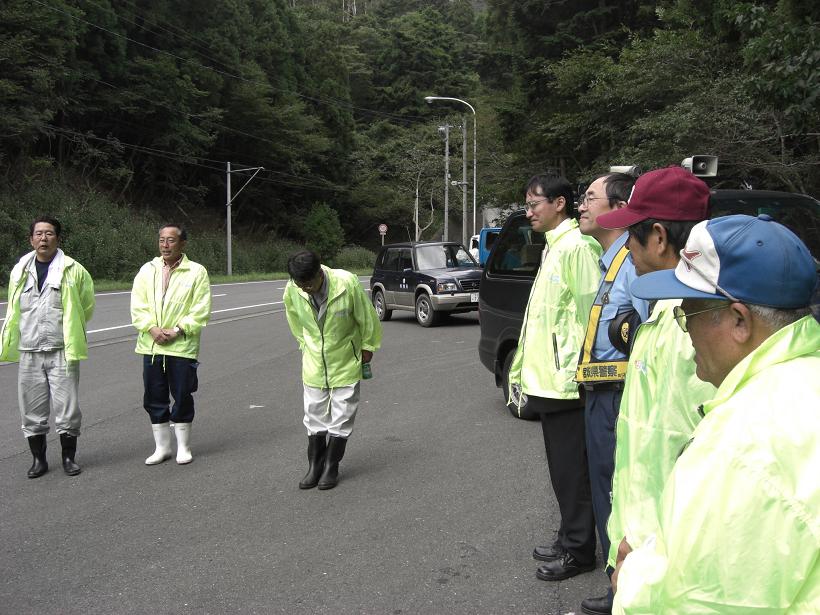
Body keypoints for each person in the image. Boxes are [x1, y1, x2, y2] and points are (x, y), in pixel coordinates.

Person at [613, 214, 819, 613]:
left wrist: (631, 575)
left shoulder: (743, 442)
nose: (685, 330)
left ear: (740, 320)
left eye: (688, 313)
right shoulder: (802, 382)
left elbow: (694, 600)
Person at [593, 167, 716, 606]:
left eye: (631, 235)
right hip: (640, 553)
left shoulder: (697, 331)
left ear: (659, 237)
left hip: (665, 564)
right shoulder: (666, 314)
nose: (625, 246)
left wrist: (646, 545)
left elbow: (705, 463)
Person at [507, 175, 602, 581]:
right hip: (548, 382)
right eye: (526, 205)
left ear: (560, 203)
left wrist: (584, 375)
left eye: (534, 204)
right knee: (562, 470)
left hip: (568, 384)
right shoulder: (554, 248)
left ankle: (580, 551)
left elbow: (590, 317)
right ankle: (569, 536)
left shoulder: (577, 248)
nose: (528, 213)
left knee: (573, 471)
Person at [574, 173, 649, 615]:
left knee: (619, 494)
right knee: (607, 490)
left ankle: (623, 590)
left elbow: (643, 343)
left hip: (620, 398)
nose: (581, 207)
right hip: (600, 395)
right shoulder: (610, 263)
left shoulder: (632, 264)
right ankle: (617, 584)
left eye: (589, 198)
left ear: (620, 208)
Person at [0, 216, 95, 478]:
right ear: (31, 239)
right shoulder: (19, 270)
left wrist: (70, 328)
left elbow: (85, 306)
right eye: (39, 234)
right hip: (29, 349)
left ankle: (68, 458)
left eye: (49, 233)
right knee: (31, 409)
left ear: (58, 238)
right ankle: (38, 460)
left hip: (62, 349)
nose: (44, 238)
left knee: (68, 408)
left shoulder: (73, 270)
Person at [283, 250, 382, 490]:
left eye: (308, 283)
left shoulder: (346, 283)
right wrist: (305, 344)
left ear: (320, 273)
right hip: (314, 361)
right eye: (300, 284)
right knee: (314, 413)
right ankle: (314, 465)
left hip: (345, 357)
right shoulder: (293, 289)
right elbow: (294, 320)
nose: (305, 288)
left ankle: (331, 464)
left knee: (343, 412)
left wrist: (368, 346)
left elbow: (366, 316)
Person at [130, 224, 211, 465]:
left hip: (182, 346)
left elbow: (201, 308)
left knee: (183, 394)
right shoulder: (147, 270)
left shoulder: (196, 272)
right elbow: (138, 305)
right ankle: (162, 448)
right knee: (154, 396)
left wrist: (177, 330)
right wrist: (151, 328)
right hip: (151, 345)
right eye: (162, 240)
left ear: (182, 244)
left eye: (171, 240)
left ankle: (183, 447)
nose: (165, 245)